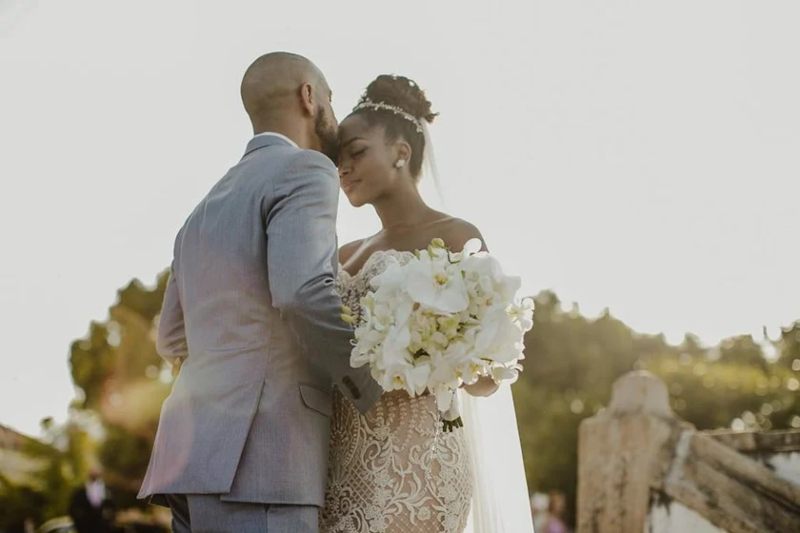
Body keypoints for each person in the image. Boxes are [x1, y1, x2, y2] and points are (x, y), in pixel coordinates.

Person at [137, 52, 381, 532]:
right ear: (309, 97)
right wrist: (370, 381)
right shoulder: (306, 170)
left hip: (188, 460)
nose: (334, 111)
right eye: (330, 97)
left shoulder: (200, 212)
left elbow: (171, 338)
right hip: (265, 461)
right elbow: (301, 292)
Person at [320, 75, 533, 533]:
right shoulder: (341, 255)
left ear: (401, 152)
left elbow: (486, 382)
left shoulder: (456, 237)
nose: (343, 168)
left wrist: (436, 349)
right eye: (338, 159)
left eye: (356, 152)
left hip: (415, 470)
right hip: (335, 466)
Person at [68, 468, 115, 533]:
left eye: (96, 474)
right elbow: (73, 509)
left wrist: (109, 520)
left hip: (103, 527)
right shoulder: (80, 491)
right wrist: (80, 522)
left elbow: (112, 508)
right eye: (93, 474)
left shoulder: (107, 490)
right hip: (86, 527)